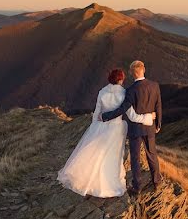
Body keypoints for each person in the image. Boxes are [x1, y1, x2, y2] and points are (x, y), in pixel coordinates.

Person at [57, 68, 156, 197]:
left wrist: (93, 129)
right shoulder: (124, 94)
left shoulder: (102, 92)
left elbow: (97, 113)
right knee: (112, 156)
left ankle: (87, 178)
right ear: (121, 79)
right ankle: (107, 183)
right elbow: (132, 116)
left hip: (101, 126)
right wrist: (149, 117)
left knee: (95, 154)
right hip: (116, 129)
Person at [100, 60, 162, 195]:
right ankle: (156, 182)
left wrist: (105, 116)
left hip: (135, 129)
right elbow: (158, 106)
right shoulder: (154, 85)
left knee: (135, 158)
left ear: (132, 74)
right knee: (152, 155)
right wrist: (158, 124)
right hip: (150, 127)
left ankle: (137, 187)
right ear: (143, 69)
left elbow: (123, 109)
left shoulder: (130, 90)